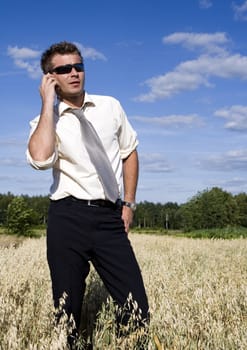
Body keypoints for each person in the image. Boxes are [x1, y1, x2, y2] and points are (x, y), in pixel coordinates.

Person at [26, 41, 149, 348]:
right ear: (50, 78)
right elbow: (40, 159)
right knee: (66, 312)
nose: (74, 73)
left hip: (110, 217)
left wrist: (129, 204)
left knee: (137, 307)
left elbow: (129, 151)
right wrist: (47, 104)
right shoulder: (46, 121)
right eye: (64, 69)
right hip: (68, 218)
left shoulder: (110, 106)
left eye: (78, 66)